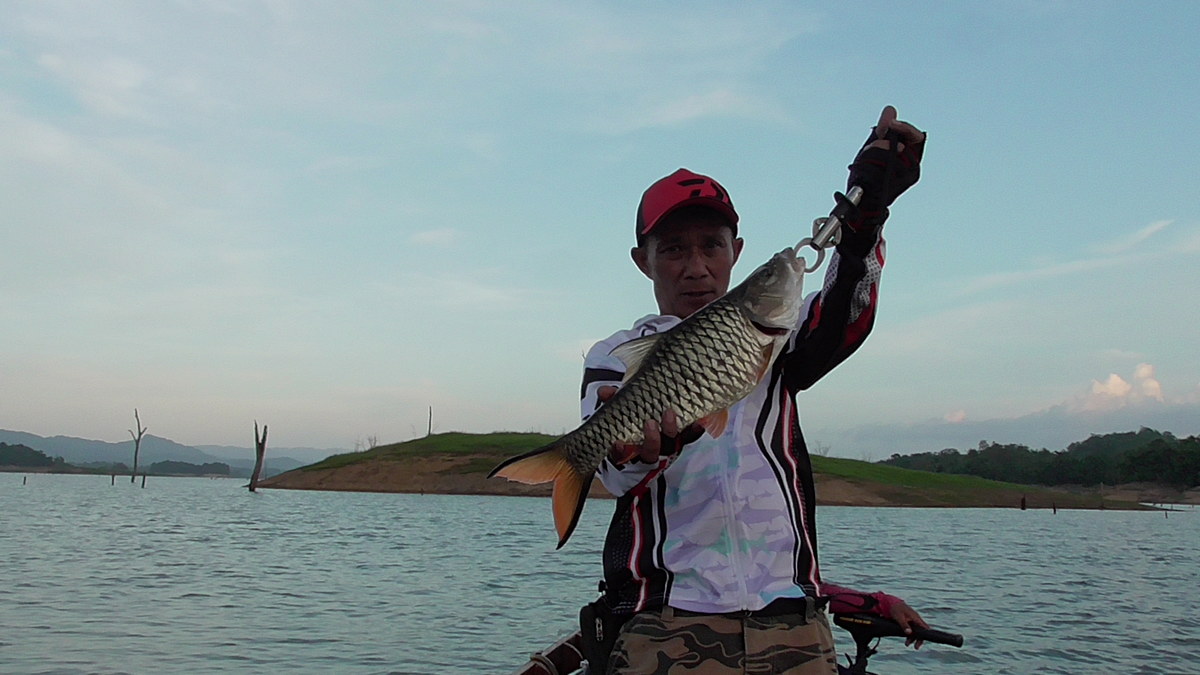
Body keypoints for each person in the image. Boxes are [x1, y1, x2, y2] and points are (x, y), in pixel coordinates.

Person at [579, 107, 927, 674]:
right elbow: (617, 474)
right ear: (642, 261)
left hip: (792, 619)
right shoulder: (616, 354)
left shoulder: (778, 339)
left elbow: (848, 314)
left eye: (712, 246)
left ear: (737, 252)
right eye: (673, 249)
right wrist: (643, 446)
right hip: (666, 621)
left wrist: (866, 212)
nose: (696, 267)